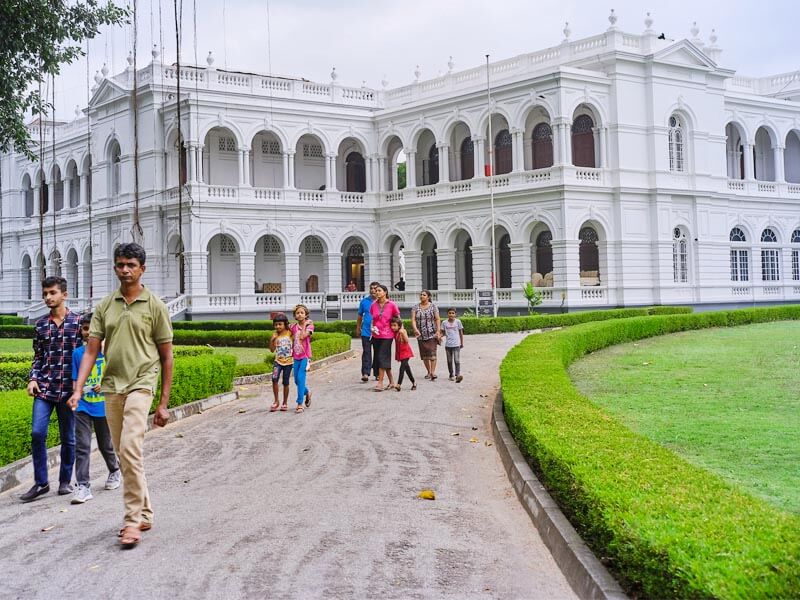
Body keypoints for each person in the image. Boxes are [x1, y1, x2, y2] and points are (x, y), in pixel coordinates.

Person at [69, 242, 174, 549]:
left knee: (128, 447)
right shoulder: (105, 306)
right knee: (127, 452)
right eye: (120, 265)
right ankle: (146, 512)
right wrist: (78, 388)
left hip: (142, 381)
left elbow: (167, 356)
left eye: (131, 265)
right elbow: (91, 350)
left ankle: (130, 521)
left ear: (142, 268)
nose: (125, 270)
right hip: (112, 386)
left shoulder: (155, 305)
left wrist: (163, 403)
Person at [21, 276, 82, 503]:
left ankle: (65, 481)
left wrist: (82, 386)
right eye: (45, 293)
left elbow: (86, 357)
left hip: (69, 389)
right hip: (45, 388)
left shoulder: (77, 323)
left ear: (64, 295)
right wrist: (32, 379)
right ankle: (41, 483)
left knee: (69, 438)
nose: (48, 297)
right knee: (37, 433)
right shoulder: (40, 325)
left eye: (52, 293)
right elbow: (38, 357)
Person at [71, 312, 121, 504]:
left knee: (105, 444)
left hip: (104, 405)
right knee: (82, 447)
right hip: (83, 406)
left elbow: (118, 376)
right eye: (85, 328)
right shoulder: (77, 354)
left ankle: (114, 470)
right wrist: (78, 392)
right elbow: (75, 382)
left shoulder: (109, 353)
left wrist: (105, 384)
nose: (89, 332)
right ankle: (83, 486)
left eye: (92, 327)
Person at [368, 284, 400, 392]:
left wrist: (400, 331)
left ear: (385, 292)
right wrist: (372, 328)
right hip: (376, 335)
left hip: (388, 335)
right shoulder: (373, 305)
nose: (377, 292)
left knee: (382, 356)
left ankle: (380, 382)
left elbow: (398, 318)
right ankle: (391, 381)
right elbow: (373, 319)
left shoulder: (391, 305)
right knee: (380, 358)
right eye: (376, 291)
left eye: (379, 290)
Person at [411, 289, 442, 380]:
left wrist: (438, 331)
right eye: (421, 295)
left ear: (428, 297)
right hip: (420, 334)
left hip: (432, 333)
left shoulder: (433, 307)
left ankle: (433, 372)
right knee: (424, 355)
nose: (422, 296)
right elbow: (413, 319)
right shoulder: (415, 307)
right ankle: (428, 372)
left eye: (424, 295)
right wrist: (415, 329)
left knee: (432, 353)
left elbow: (437, 319)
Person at [290, 304, 314, 413]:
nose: (300, 315)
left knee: (300, 378)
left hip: (305, 356)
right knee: (296, 380)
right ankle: (307, 392)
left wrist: (304, 325)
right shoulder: (293, 327)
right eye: (297, 313)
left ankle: (299, 403)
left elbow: (302, 336)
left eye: (302, 313)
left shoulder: (310, 326)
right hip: (296, 356)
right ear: (295, 315)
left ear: (306, 315)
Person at [269, 313, 293, 412]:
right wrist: (272, 340)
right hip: (277, 362)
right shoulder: (275, 335)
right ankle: (276, 401)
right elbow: (271, 350)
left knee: (285, 382)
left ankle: (285, 402)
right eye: (276, 324)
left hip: (288, 362)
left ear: (285, 324)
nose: (278, 326)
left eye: (280, 324)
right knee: (274, 379)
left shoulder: (290, 333)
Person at [356, 282, 379, 383]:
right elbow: (360, 316)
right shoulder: (364, 302)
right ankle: (365, 373)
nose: (373, 290)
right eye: (371, 288)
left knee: (378, 353)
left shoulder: (382, 302)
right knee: (366, 352)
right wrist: (358, 328)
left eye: (375, 288)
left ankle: (377, 373)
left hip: (378, 332)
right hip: (366, 331)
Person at [390, 316, 416, 391]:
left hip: (406, 352)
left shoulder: (402, 331)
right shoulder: (395, 332)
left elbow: (407, 341)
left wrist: (403, 333)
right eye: (392, 325)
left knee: (402, 368)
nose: (393, 327)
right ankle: (414, 382)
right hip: (400, 353)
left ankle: (399, 384)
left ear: (399, 325)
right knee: (407, 369)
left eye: (395, 325)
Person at [442, 308, 465, 383]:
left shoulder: (458, 322)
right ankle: (451, 374)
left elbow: (461, 332)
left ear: (455, 314)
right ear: (447, 314)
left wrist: (462, 342)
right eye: (449, 313)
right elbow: (443, 332)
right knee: (449, 361)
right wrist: (439, 337)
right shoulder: (444, 322)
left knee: (457, 360)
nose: (451, 314)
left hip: (456, 344)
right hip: (448, 345)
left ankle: (458, 375)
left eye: (453, 313)